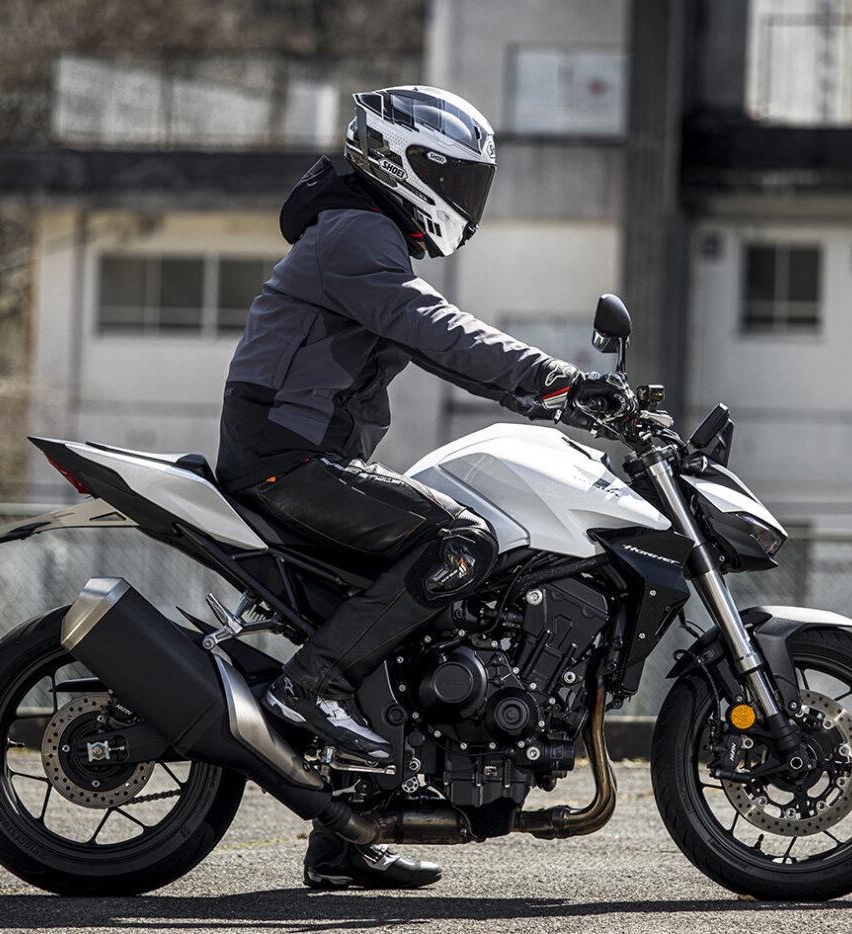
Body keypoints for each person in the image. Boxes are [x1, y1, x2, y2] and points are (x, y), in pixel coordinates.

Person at [216, 86, 617, 889]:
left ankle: (345, 841)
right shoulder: (356, 231)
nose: (466, 197)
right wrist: (558, 381)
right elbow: (434, 330)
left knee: (415, 627)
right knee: (463, 542)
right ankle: (310, 686)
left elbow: (428, 335)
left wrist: (553, 394)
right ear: (407, 164)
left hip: (306, 458)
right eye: (456, 177)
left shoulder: (362, 232)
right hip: (287, 461)